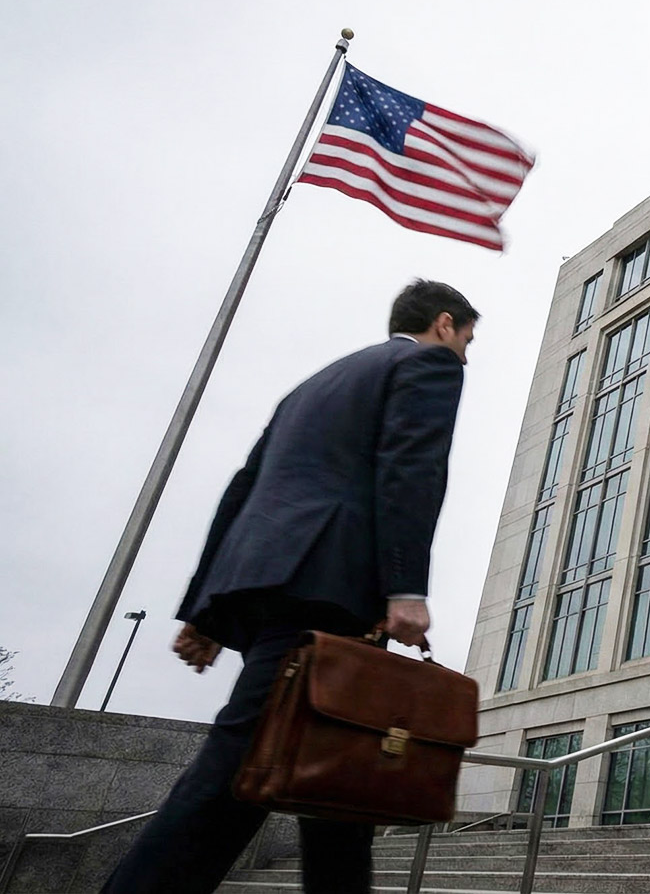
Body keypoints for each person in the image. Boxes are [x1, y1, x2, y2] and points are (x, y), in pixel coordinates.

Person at [101, 280, 478, 894]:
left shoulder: (313, 385)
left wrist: (208, 612)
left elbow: (243, 489)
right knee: (238, 770)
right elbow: (411, 469)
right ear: (443, 325)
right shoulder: (429, 364)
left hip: (272, 578)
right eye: (467, 338)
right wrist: (405, 586)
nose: (466, 352)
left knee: (337, 767)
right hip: (330, 587)